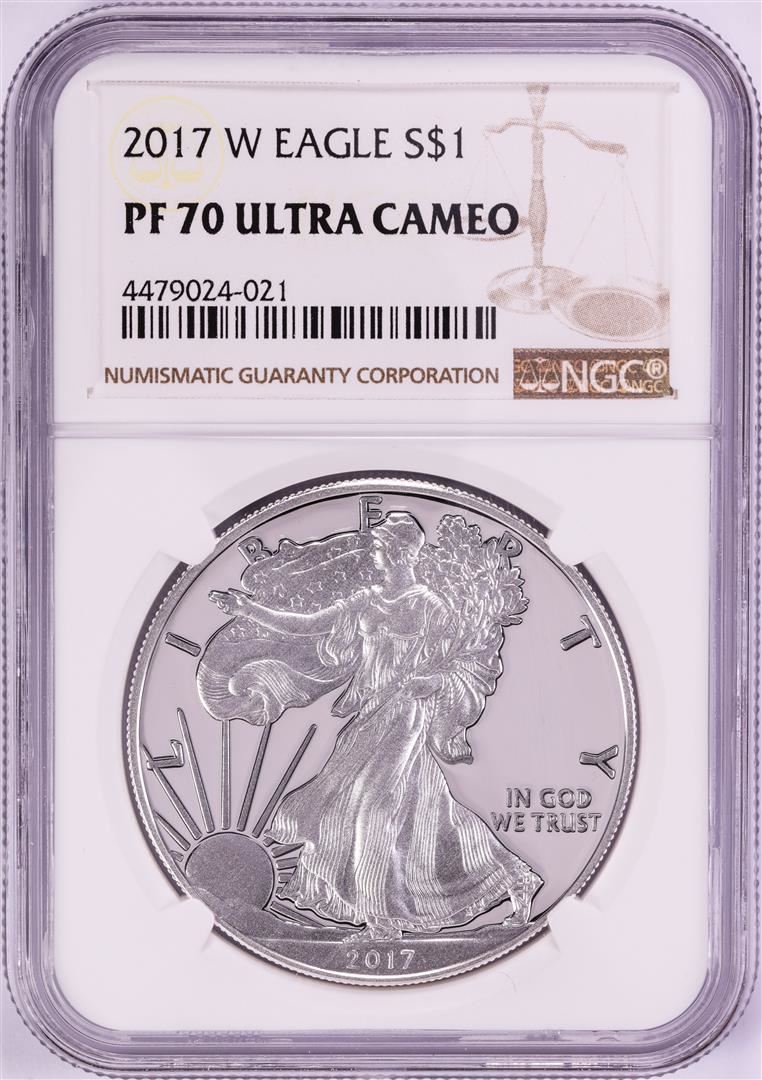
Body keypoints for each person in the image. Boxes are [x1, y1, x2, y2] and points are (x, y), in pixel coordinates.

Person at [210, 512, 542, 940]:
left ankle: (382, 922)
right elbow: (308, 626)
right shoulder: (367, 601)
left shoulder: (431, 607)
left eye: (383, 548)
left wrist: (433, 682)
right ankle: (514, 878)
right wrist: (248, 609)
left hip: (406, 714)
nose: (377, 555)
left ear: (402, 553)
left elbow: (458, 664)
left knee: (371, 806)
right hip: (370, 715)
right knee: (424, 814)